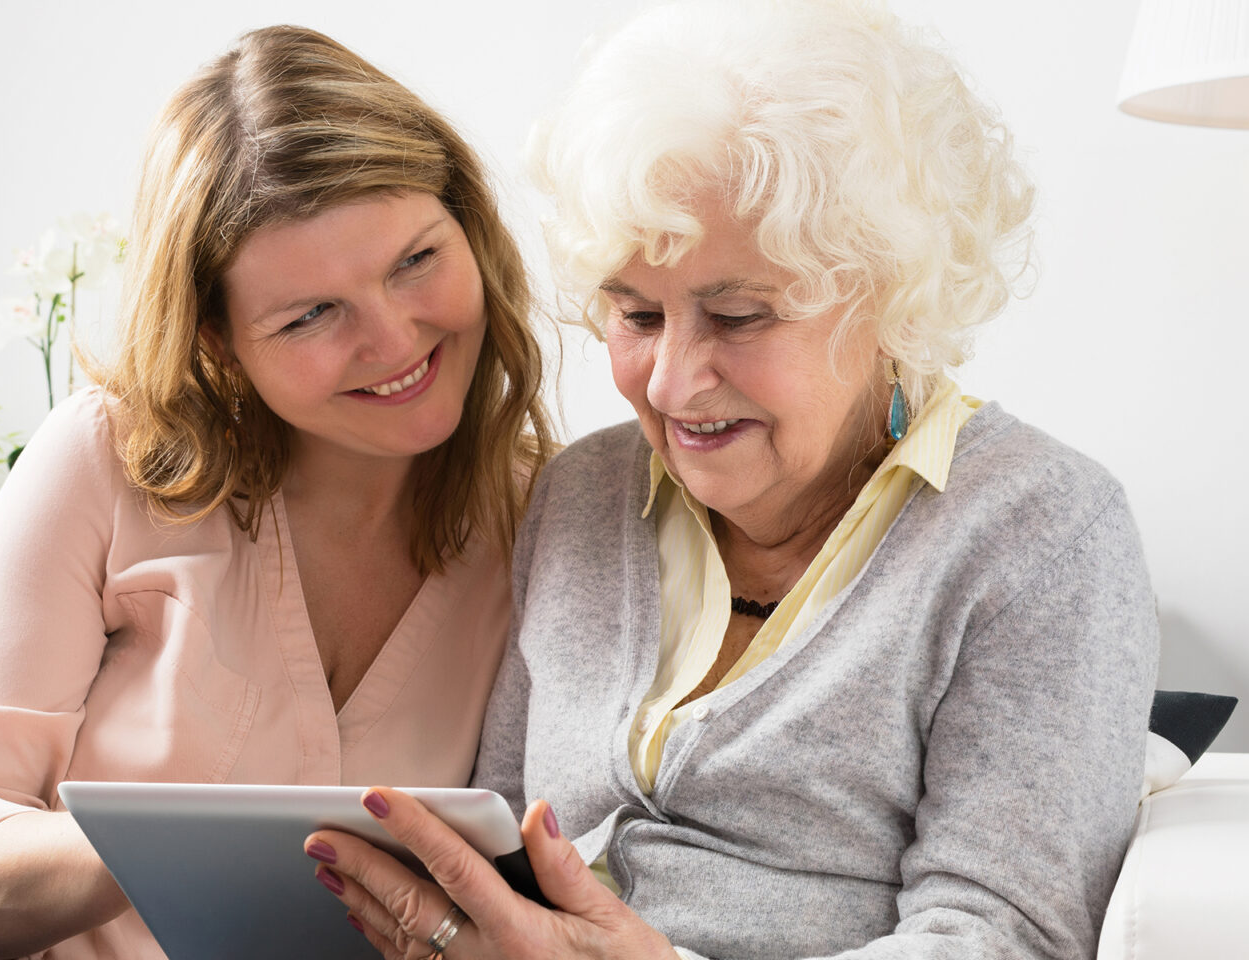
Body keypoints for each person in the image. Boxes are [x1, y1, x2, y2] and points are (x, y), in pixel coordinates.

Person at [305, 1, 1159, 959]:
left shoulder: (1042, 535)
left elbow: (1002, 937)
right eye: (636, 316)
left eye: (740, 316)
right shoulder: (582, 493)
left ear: (888, 295)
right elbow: (501, 833)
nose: (670, 383)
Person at [0, 24, 551, 960]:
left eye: (415, 262)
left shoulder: (540, 520)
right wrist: (185, 846)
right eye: (311, 314)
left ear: (469, 227)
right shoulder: (106, 461)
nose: (395, 340)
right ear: (214, 337)